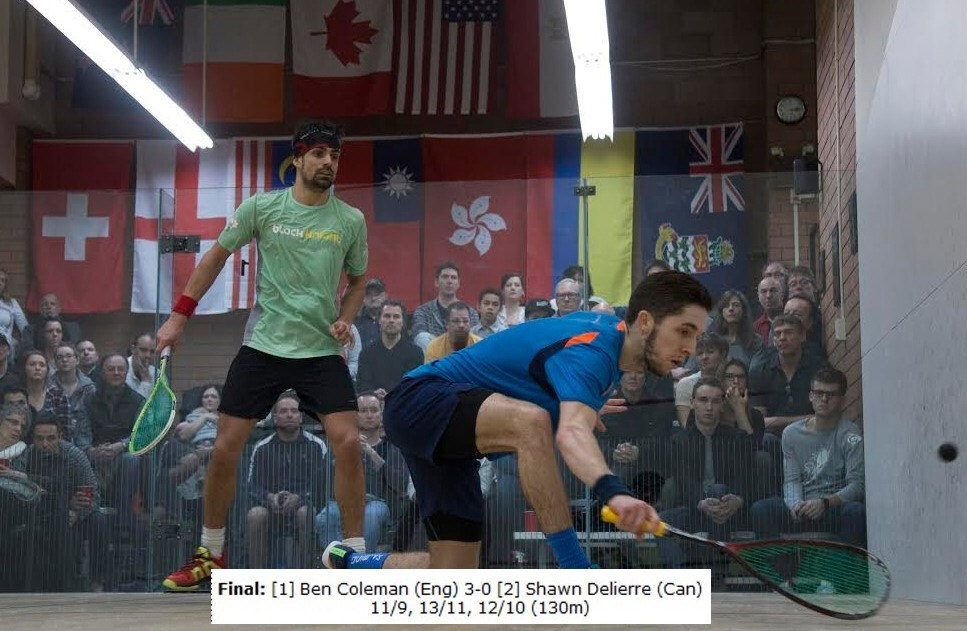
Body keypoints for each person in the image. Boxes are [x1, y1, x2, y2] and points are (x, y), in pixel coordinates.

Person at [323, 271, 713, 570]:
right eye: (684, 331)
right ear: (644, 322)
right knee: (532, 422)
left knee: (452, 577)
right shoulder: (595, 351)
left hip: (449, 436)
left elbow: (545, 370)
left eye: (696, 336)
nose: (690, 348)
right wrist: (615, 492)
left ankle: (351, 563)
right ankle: (574, 568)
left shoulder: (607, 338)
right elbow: (570, 433)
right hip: (421, 398)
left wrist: (577, 405)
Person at [158, 119, 370, 591]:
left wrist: (347, 317)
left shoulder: (350, 220)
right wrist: (178, 317)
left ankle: (354, 555)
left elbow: (358, 282)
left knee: (349, 443)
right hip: (263, 346)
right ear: (298, 158)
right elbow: (215, 257)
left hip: (320, 349)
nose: (328, 163)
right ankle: (210, 555)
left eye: (335, 156)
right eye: (319, 154)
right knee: (224, 447)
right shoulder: (262, 207)